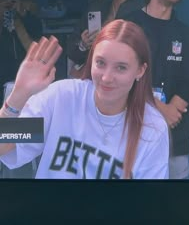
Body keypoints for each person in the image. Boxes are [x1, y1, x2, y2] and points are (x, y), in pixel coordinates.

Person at [0, 19, 169, 179]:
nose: (106, 78)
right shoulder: (63, 98)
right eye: (100, 63)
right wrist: (19, 94)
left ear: (140, 71)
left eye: (121, 67)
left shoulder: (152, 127)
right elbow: (5, 147)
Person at [124, 0, 189, 179]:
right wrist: (160, 110)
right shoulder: (129, 25)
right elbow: (122, 77)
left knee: (174, 208)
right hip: (132, 136)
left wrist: (171, 111)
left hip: (174, 139)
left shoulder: (185, 33)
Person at [67, 0, 141, 75]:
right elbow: (72, 51)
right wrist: (83, 45)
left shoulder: (140, 10)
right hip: (94, 75)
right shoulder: (96, 7)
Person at [0, 0, 42, 103]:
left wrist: (21, 13)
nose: (9, 7)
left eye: (12, 2)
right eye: (5, 3)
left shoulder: (29, 20)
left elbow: (35, 48)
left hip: (24, 79)